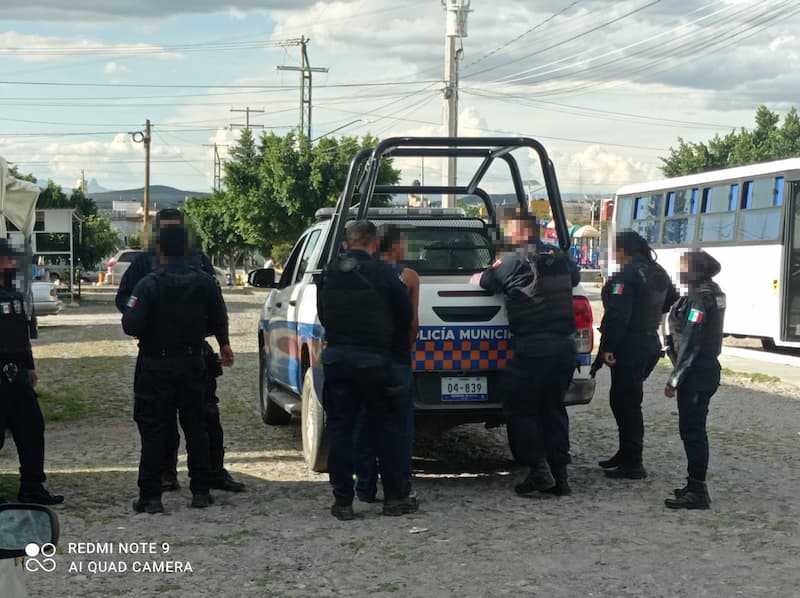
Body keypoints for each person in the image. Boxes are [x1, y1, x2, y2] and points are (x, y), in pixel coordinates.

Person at [116, 209, 242, 494]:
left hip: (184, 353)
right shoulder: (143, 265)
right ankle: (176, 479)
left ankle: (204, 477)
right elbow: (124, 300)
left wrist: (221, 340)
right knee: (176, 424)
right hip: (171, 353)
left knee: (198, 420)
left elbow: (217, 308)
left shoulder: (195, 267)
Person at [316, 220, 415, 520]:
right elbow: (404, 316)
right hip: (375, 362)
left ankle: (343, 500)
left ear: (347, 243)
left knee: (341, 430)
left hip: (338, 361)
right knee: (387, 430)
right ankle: (394, 498)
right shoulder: (386, 274)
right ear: (374, 244)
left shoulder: (329, 274)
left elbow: (323, 313)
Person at [479, 209, 579, 496]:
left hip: (534, 346)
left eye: (509, 229)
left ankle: (537, 469)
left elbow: (488, 282)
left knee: (519, 406)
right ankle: (560, 476)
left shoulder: (514, 259)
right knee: (553, 408)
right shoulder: (560, 256)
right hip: (564, 347)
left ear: (519, 230)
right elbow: (572, 279)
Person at [596, 231, 679, 480]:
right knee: (626, 399)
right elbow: (671, 301)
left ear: (623, 250)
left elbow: (618, 315)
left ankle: (633, 461)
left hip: (629, 345)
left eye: (615, 250)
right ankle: (626, 453)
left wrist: (607, 346)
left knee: (626, 403)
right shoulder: (658, 272)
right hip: (649, 342)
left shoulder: (627, 276)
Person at [354, 224, 419, 505]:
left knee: (365, 423)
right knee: (398, 427)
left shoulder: (359, 273)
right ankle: (400, 488)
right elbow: (412, 324)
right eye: (402, 242)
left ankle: (364, 488)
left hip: (365, 358)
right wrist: (406, 347)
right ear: (394, 246)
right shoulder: (408, 276)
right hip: (396, 358)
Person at [0, 239, 63, 505]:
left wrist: (30, 366)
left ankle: (32, 486)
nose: (13, 263)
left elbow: (22, 334)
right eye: (7, 258)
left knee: (32, 429)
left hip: (18, 374)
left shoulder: (14, 295)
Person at [663, 250, 725, 509]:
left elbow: (691, 341)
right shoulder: (713, 292)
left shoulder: (699, 299)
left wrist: (675, 379)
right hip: (705, 369)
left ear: (696, 270)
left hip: (696, 373)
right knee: (693, 429)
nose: (680, 271)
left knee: (693, 430)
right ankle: (693, 483)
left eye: (684, 266)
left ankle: (697, 490)